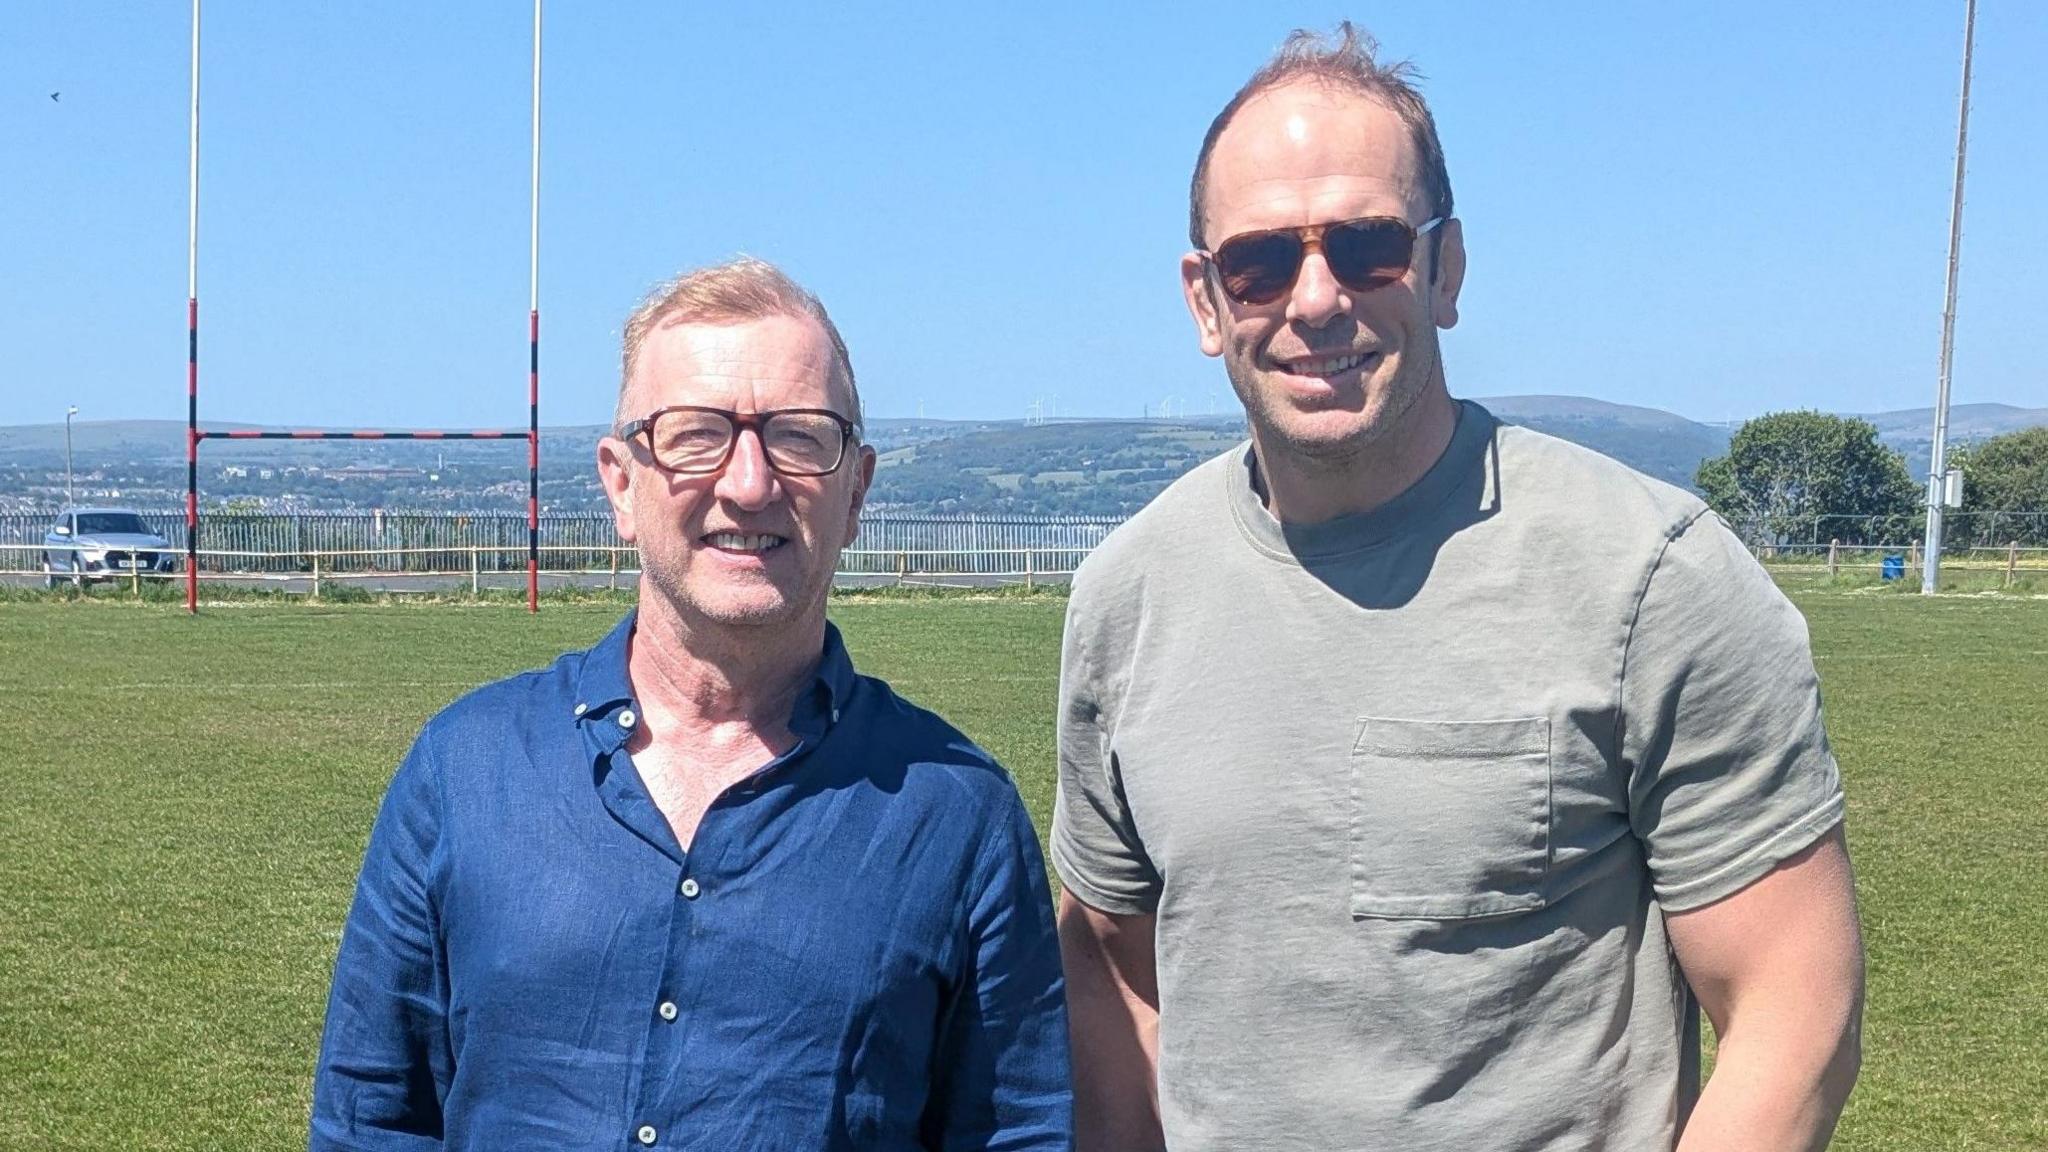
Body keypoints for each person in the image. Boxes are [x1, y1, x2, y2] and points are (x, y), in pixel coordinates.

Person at [1054, 25, 1864, 1152]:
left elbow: (1792, 1008)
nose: (1315, 298)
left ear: (1446, 269)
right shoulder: (1128, 595)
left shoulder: (1650, 575)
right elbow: (1112, 973)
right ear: (1205, 300)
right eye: (1260, 263)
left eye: (1367, 246)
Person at [311, 257, 1071, 1151]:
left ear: (856, 491)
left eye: (798, 437)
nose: (749, 483)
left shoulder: (958, 817)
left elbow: (1016, 1133)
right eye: (696, 434)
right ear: (621, 484)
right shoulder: (466, 771)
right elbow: (373, 1120)